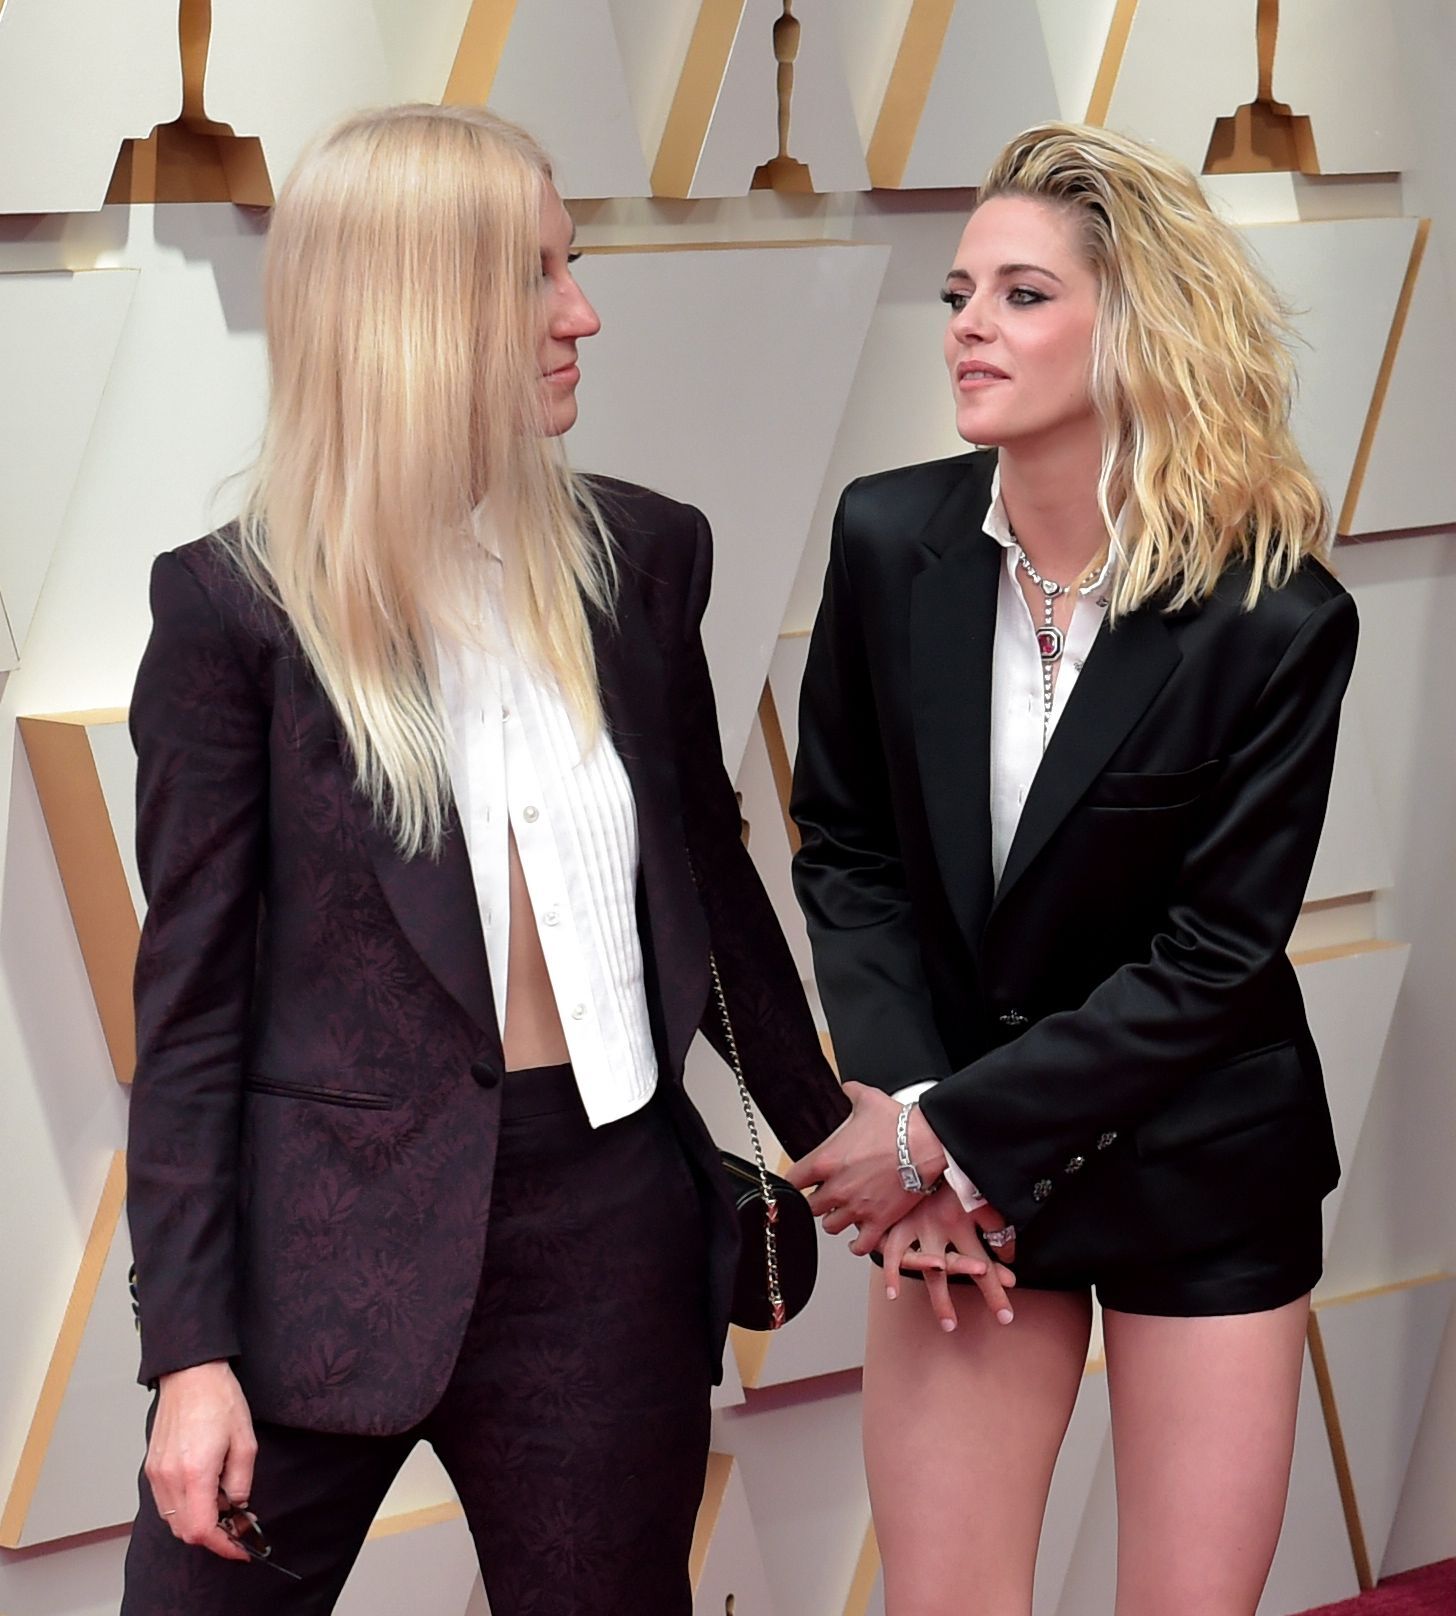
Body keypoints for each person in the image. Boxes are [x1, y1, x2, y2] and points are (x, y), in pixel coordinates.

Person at [121, 103, 846, 1616]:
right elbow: (187, 1014)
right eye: (534, 277)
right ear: (410, 310)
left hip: (607, 1235)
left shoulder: (645, 560)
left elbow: (706, 878)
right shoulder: (232, 616)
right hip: (319, 1258)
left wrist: (833, 1136)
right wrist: (189, 1357)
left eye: (569, 267)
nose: (582, 313)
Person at [788, 122, 1358, 1616]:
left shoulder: (1274, 615)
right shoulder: (883, 538)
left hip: (1197, 1162)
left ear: (1138, 329)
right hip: (966, 1186)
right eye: (960, 292)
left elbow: (1215, 957)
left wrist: (934, 1138)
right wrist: (915, 1120)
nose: (970, 323)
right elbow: (846, 851)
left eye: (1023, 294)